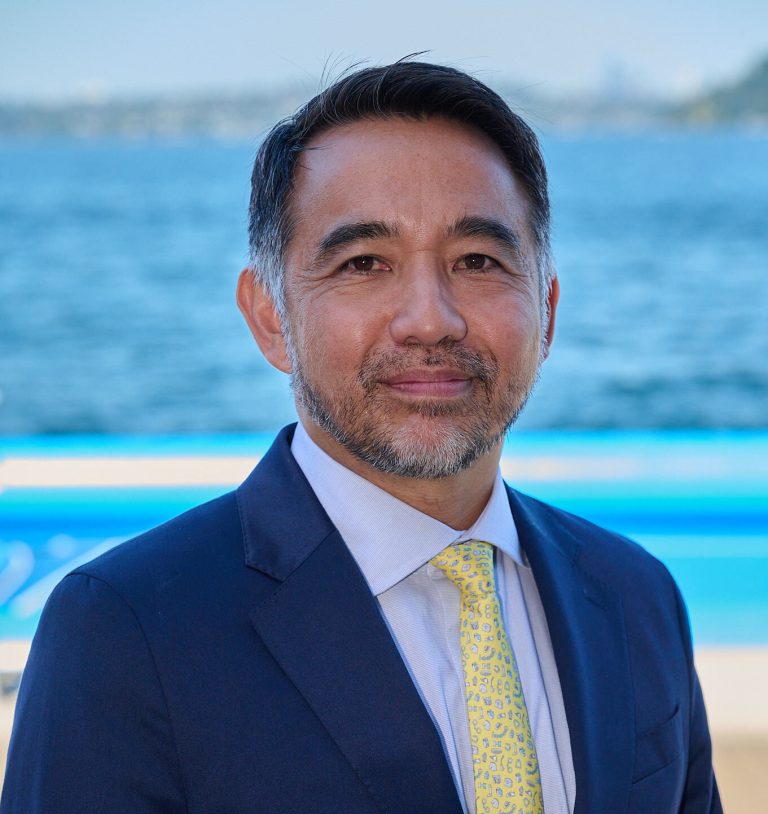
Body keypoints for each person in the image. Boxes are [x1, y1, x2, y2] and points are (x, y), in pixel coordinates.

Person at [1, 61, 721, 814]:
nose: (430, 320)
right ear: (270, 317)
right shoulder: (126, 630)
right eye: (364, 264)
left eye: (478, 261)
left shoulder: (637, 595)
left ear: (546, 310)